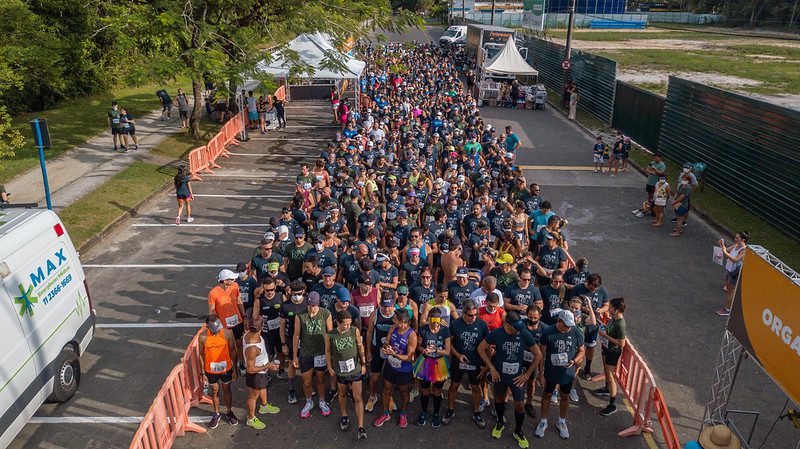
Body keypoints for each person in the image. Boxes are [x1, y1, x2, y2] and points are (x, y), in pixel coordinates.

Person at [479, 311, 542, 448]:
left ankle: (518, 431)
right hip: (500, 376)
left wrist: (526, 375)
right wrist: (492, 368)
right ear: (507, 324)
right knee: (499, 399)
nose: (518, 331)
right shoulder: (496, 333)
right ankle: (500, 422)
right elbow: (481, 348)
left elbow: (538, 354)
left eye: (520, 327)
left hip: (517, 377)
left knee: (520, 406)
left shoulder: (523, 332)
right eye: (515, 328)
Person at [536, 309, 585, 440]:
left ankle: (561, 421)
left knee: (565, 396)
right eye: (566, 325)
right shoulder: (548, 332)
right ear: (559, 321)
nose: (568, 328)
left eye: (570, 325)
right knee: (546, 395)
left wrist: (574, 361)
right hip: (551, 372)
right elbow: (541, 355)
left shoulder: (576, 332)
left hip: (567, 373)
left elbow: (581, 351)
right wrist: (540, 374)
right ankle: (543, 421)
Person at [446, 299, 489, 427]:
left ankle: (476, 413)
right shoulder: (455, 324)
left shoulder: (482, 325)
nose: (473, 317)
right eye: (470, 315)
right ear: (463, 313)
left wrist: (485, 365)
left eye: (476, 314)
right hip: (458, 362)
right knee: (454, 386)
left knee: (475, 387)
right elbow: (449, 344)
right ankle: (450, 410)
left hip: (475, 362)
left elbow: (487, 347)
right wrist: (458, 355)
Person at [325, 310, 368, 439]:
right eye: (345, 324)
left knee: (358, 397)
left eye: (349, 324)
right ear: (338, 323)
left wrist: (364, 364)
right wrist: (329, 367)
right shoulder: (330, 335)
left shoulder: (354, 330)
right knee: (342, 394)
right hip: (340, 371)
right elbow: (327, 351)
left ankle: (361, 427)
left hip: (355, 370)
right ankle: (344, 416)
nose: (348, 327)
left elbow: (360, 347)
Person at [292, 291, 334, 418]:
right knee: (307, 382)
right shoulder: (300, 315)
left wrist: (330, 354)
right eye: (310, 305)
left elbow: (330, 333)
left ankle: (321, 400)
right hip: (306, 353)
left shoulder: (326, 313)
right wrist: (295, 355)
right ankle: (309, 401)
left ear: (318, 304)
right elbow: (296, 335)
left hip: (321, 353)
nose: (312, 308)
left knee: (321, 378)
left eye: (314, 306)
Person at [373, 309, 417, 429]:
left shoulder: (412, 335)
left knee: (404, 392)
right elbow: (387, 342)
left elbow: (409, 358)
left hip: (404, 369)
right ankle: (385, 413)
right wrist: (386, 347)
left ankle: (403, 414)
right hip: (390, 366)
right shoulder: (393, 328)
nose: (393, 320)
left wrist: (394, 354)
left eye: (395, 319)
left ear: (403, 321)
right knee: (387, 388)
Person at [412, 307, 451, 428]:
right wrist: (424, 349)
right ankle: (423, 413)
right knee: (425, 390)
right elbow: (417, 347)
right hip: (425, 363)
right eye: (432, 321)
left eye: (437, 321)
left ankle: (435, 413)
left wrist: (436, 350)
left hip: (439, 364)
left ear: (441, 320)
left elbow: (448, 352)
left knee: (437, 391)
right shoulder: (423, 330)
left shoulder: (445, 331)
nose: (434, 324)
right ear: (429, 319)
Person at [198, 314, 238, 428]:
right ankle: (216, 413)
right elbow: (201, 355)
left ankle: (229, 411)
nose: (216, 332)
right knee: (215, 391)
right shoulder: (202, 337)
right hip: (210, 370)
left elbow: (233, 351)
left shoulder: (227, 333)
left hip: (226, 369)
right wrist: (203, 373)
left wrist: (235, 369)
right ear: (208, 327)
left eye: (218, 329)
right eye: (214, 331)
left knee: (227, 390)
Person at [243, 315, 280, 430]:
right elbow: (250, 369)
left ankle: (264, 406)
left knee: (263, 388)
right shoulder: (252, 348)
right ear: (261, 328)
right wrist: (268, 365)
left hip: (262, 373)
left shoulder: (249, 333)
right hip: (256, 375)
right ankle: (251, 418)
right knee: (253, 396)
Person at [208, 270, 246, 374]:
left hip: (237, 321)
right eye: (232, 279)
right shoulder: (213, 293)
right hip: (224, 325)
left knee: (239, 344)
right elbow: (211, 311)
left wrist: (244, 316)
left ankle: (241, 363)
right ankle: (232, 366)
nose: (235, 280)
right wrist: (213, 327)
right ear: (225, 281)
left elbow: (239, 301)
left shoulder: (235, 286)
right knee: (229, 347)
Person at [594, 297, 627, 416]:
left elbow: (621, 343)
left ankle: (612, 404)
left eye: (611, 307)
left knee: (610, 376)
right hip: (607, 349)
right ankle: (607, 389)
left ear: (617, 310)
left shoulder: (620, 324)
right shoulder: (614, 318)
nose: (609, 308)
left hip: (612, 352)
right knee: (607, 374)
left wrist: (605, 336)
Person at [280, 281, 307, 403]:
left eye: (299, 294)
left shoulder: (308, 303)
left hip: (307, 339)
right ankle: (291, 389)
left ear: (304, 291)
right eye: (294, 294)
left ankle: (307, 385)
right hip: (291, 340)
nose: (296, 296)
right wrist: (283, 344)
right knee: (291, 363)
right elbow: (281, 325)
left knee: (306, 363)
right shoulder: (285, 306)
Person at [716, 232, 748, 316]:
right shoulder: (735, 245)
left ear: (743, 239)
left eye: (737, 238)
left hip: (735, 272)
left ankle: (727, 310)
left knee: (730, 292)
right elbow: (726, 250)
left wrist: (724, 252)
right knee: (729, 289)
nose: (735, 239)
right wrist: (722, 244)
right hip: (729, 269)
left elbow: (735, 260)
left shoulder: (744, 250)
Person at [633, 153, 665, 218]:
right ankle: (648, 210)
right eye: (654, 158)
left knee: (652, 198)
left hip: (655, 184)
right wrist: (653, 172)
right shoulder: (652, 162)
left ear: (660, 158)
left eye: (656, 158)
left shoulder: (662, 165)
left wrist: (654, 169)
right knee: (649, 197)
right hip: (649, 182)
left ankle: (644, 211)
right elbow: (647, 170)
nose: (655, 159)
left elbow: (660, 174)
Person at [670, 172, 693, 237]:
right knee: (678, 218)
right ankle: (679, 229)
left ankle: (677, 232)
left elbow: (681, 197)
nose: (683, 181)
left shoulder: (687, 188)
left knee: (680, 219)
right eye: (683, 179)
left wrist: (674, 202)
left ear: (688, 181)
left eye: (685, 180)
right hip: (679, 204)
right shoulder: (682, 185)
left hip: (682, 205)